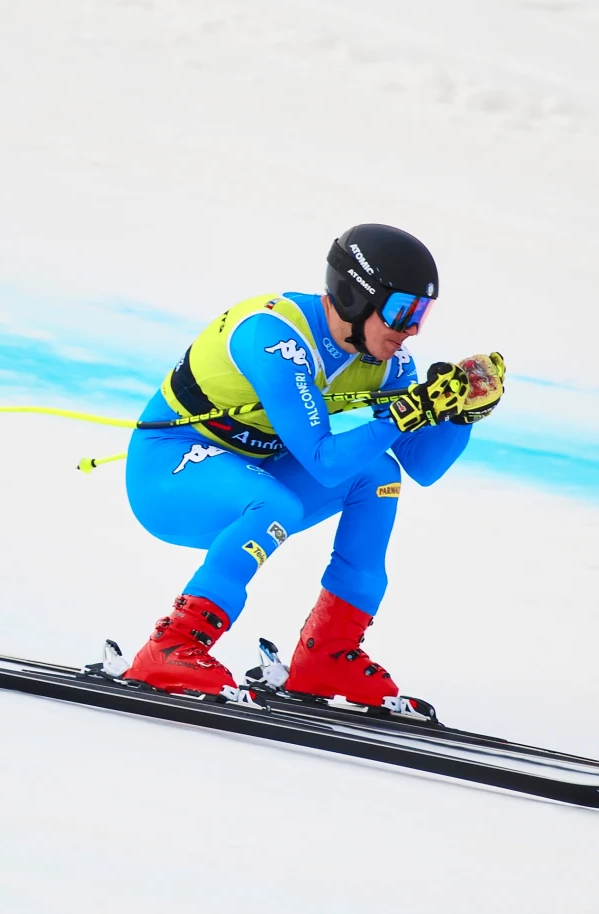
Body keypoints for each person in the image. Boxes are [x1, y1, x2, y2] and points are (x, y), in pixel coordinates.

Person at [121, 224, 504, 706]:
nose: (412, 330)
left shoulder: (386, 361)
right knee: (275, 501)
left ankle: (327, 654)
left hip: (248, 475)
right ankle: (173, 644)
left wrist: (458, 414)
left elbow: (422, 465)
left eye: (422, 314)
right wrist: (399, 418)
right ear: (355, 297)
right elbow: (323, 462)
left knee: (377, 474)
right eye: (402, 310)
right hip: (169, 475)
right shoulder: (274, 336)